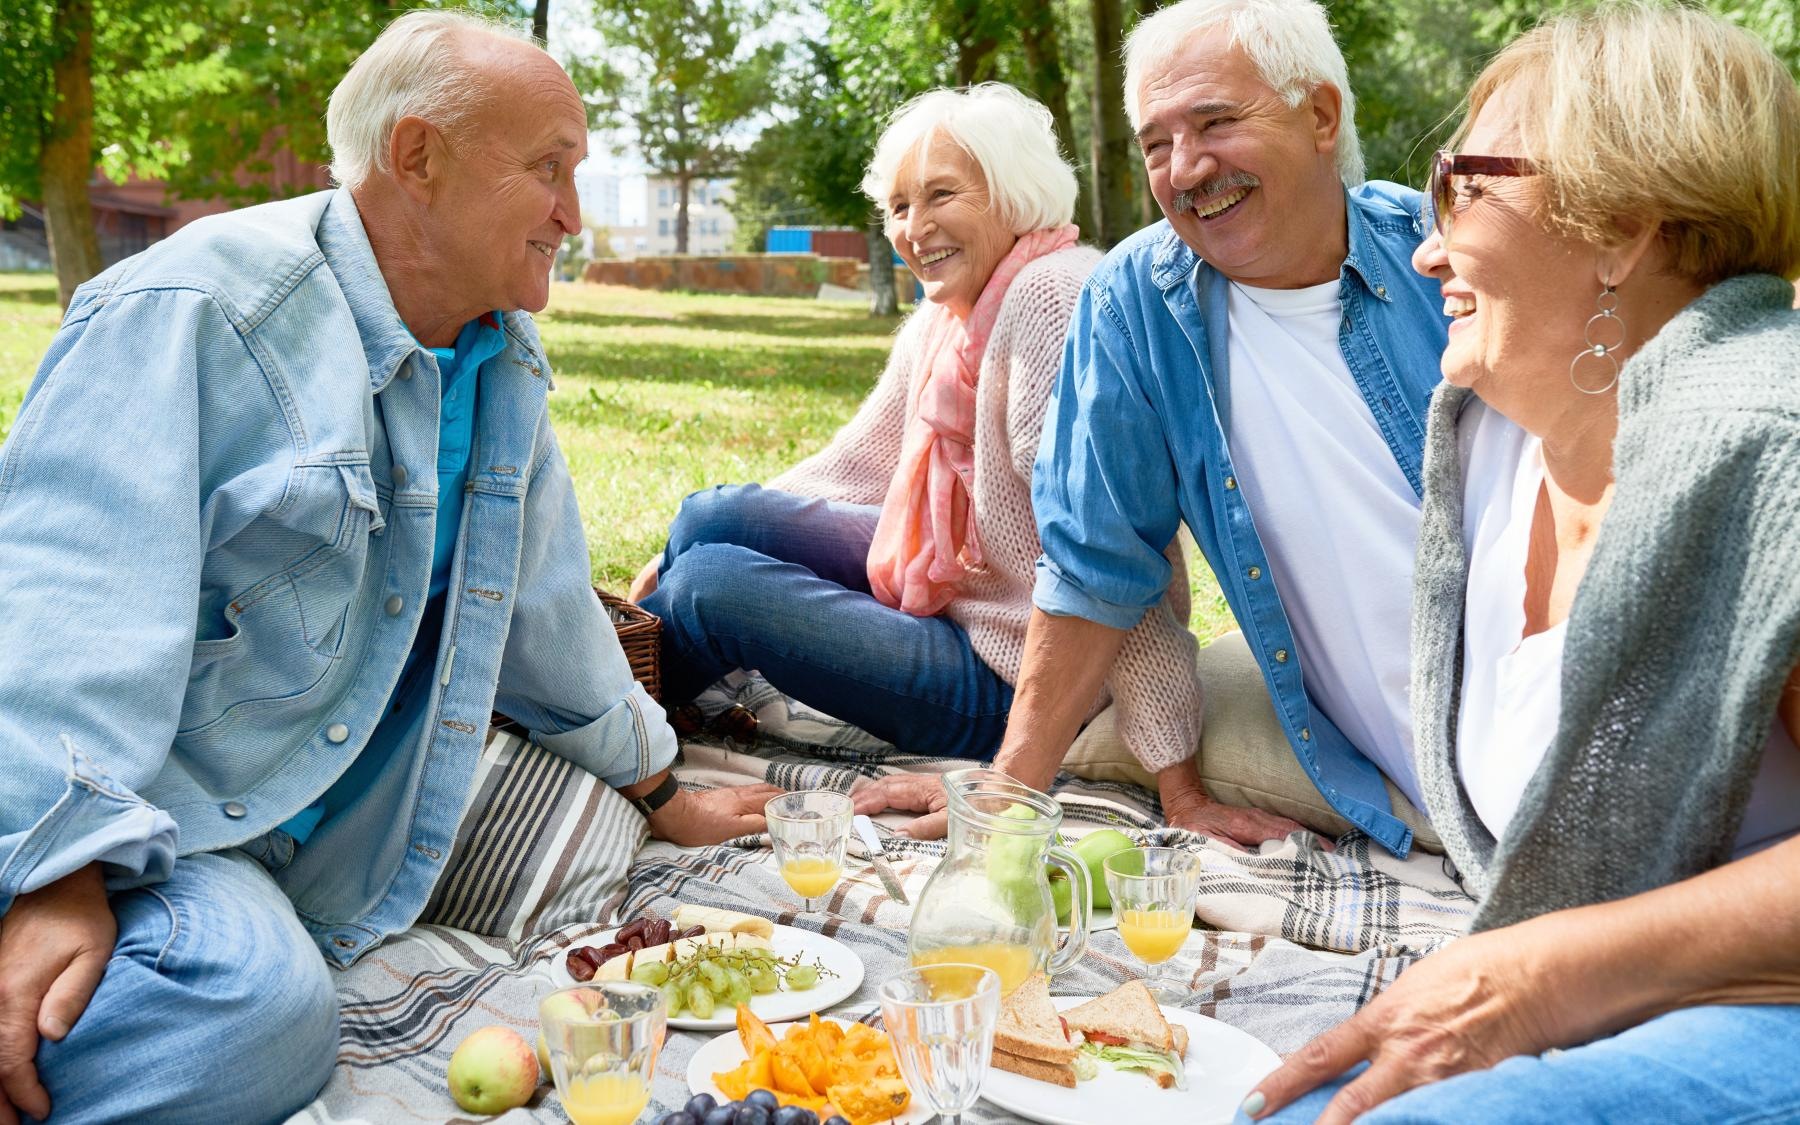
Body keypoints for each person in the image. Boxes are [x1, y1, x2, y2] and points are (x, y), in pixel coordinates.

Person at [0, 13, 773, 1123]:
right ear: (418, 158)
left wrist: (659, 786)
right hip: (151, 831)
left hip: (304, 860)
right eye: (548, 169)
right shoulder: (201, 311)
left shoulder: (499, 359)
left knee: (257, 1007)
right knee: (254, 1018)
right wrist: (57, 870)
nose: (572, 213)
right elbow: (62, 600)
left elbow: (546, 614)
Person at [1239, 5, 1800, 1121]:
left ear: (1623, 227)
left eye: (1465, 186)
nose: (1426, 243)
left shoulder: (1768, 454)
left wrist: (1537, 981)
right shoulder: (1487, 445)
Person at [857, 0, 1449, 849]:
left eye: (1215, 122)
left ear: (1320, 116)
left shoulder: (1448, 253)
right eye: (1156, 143)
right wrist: (1006, 792)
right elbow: (1097, 565)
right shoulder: (1137, 303)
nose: (1186, 168)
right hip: (1432, 753)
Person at [632, 84, 1206, 781]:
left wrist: (1174, 765)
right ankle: (650, 677)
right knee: (706, 519)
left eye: (941, 196)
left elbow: (1110, 552)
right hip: (961, 589)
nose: (914, 227)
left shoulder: (1052, 297)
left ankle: (610, 716)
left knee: (709, 589)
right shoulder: (950, 316)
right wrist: (697, 537)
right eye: (900, 206)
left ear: (1012, 192)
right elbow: (855, 466)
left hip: (1019, 676)